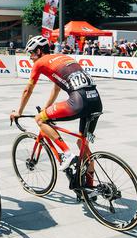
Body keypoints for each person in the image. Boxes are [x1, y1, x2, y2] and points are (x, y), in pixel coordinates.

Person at [10, 36, 102, 182]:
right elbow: (56, 88)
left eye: (31, 53)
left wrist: (19, 111)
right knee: (82, 144)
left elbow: (28, 90)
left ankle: (66, 154)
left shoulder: (40, 62)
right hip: (96, 101)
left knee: (39, 119)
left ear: (39, 51)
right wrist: (46, 108)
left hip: (79, 101)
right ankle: (90, 188)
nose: (30, 58)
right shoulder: (63, 57)